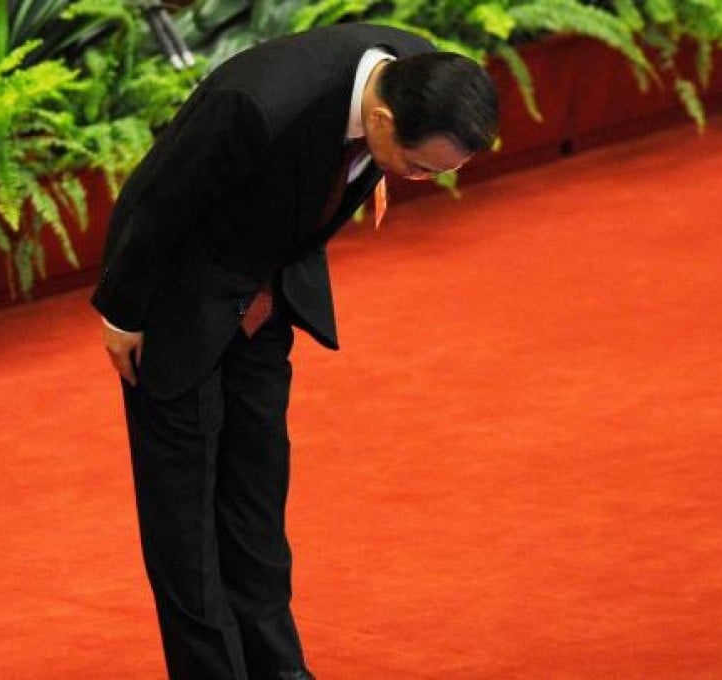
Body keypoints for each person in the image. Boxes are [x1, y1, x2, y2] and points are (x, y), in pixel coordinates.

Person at [92, 22, 498, 680]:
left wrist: (384, 169)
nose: (424, 180)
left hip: (269, 291)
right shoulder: (256, 103)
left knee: (255, 507)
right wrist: (124, 308)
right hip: (180, 298)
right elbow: (156, 197)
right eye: (421, 167)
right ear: (382, 117)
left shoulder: (419, 73)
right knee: (186, 527)